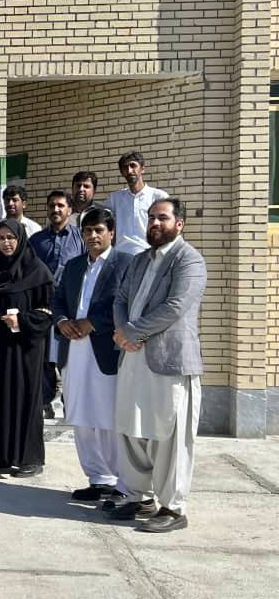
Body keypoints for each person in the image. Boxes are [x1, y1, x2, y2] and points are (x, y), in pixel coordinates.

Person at [109, 199, 206, 533]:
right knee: (131, 428)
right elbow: (120, 299)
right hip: (132, 355)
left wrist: (132, 332)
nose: (154, 223)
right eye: (151, 217)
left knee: (170, 435)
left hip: (169, 360)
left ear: (179, 223)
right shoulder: (139, 260)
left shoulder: (189, 259)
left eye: (162, 218)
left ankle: (173, 508)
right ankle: (139, 496)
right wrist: (123, 332)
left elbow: (176, 306)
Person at [52, 207, 131, 501]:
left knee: (108, 417)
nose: (93, 236)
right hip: (74, 349)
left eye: (99, 230)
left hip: (105, 350)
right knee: (81, 415)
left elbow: (125, 304)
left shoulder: (125, 263)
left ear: (112, 233)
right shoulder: (74, 265)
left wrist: (93, 323)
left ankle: (123, 483)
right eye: (87, 230)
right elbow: (58, 299)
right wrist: (62, 322)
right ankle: (99, 479)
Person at [0, 219, 53, 477]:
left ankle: (29, 459)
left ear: (21, 239)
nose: (6, 243)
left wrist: (22, 321)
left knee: (23, 399)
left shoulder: (37, 271)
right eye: (1, 238)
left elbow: (48, 312)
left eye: (11, 237)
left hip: (23, 350)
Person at [29, 190, 85, 418]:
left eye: (61, 205)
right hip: (42, 305)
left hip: (70, 306)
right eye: (52, 205)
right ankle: (44, 402)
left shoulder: (80, 238)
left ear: (70, 210)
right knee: (43, 357)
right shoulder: (36, 240)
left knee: (69, 355)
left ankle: (70, 401)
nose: (56, 209)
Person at [102, 152, 168, 257]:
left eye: (133, 165)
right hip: (120, 257)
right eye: (125, 167)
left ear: (142, 169)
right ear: (122, 172)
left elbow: (168, 226)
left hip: (150, 256)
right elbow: (103, 223)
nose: (129, 170)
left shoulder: (158, 197)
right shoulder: (114, 199)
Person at [0, 185, 42, 261]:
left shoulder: (35, 228)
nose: (10, 203)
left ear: (24, 204)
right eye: (7, 200)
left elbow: (37, 254)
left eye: (14, 200)